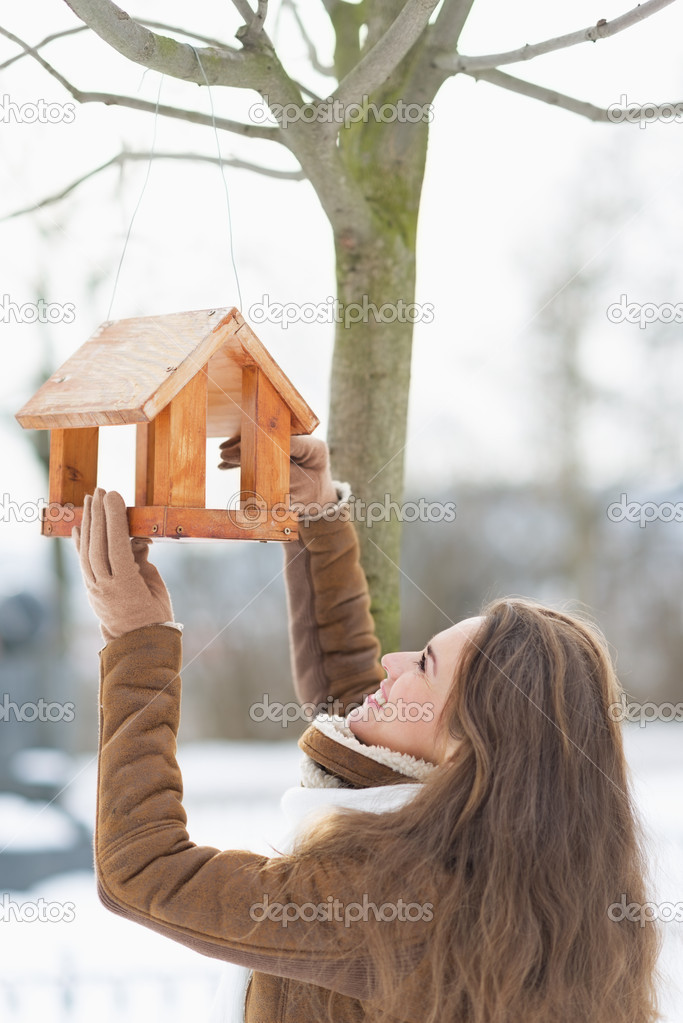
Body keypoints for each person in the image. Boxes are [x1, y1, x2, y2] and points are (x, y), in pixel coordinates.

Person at [73, 437, 661, 1023]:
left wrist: (137, 641)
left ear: (466, 748)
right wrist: (317, 517)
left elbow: (144, 868)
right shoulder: (507, 865)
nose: (393, 661)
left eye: (425, 665)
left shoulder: (396, 898)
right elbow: (353, 710)